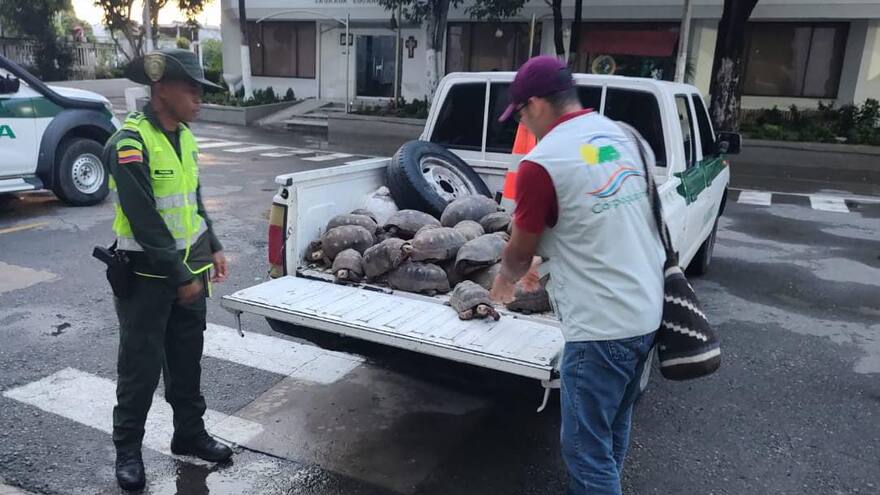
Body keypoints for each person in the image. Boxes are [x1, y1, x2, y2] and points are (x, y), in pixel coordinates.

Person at [490, 56, 665, 495]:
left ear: (536, 104)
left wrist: (501, 284)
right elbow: (590, 206)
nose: (524, 124)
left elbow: (518, 253)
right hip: (646, 311)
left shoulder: (541, 163)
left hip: (601, 328)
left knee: (585, 452)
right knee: (610, 432)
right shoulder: (618, 137)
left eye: (522, 114)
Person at [105, 48, 231, 491]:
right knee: (139, 370)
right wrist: (181, 278)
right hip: (146, 280)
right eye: (191, 89)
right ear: (161, 90)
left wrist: (211, 244)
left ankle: (189, 436)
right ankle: (128, 452)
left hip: (189, 275)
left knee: (186, 364)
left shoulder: (186, 137)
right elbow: (145, 220)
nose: (199, 98)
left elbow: (191, 203)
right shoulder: (129, 143)